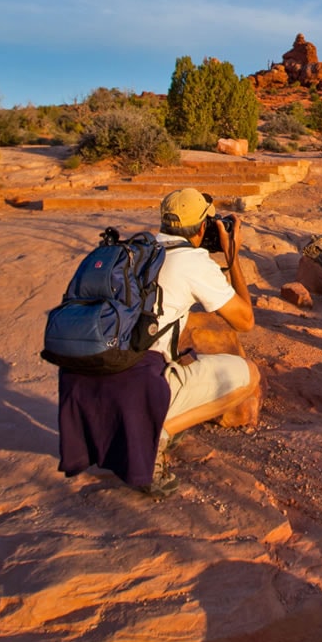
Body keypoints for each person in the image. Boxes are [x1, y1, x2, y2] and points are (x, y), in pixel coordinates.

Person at [56, 188, 261, 498]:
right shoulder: (193, 262)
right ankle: (155, 436)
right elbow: (245, 321)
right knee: (249, 374)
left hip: (83, 383)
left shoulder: (136, 249)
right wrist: (233, 257)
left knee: (175, 351)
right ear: (204, 228)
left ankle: (132, 425)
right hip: (132, 383)